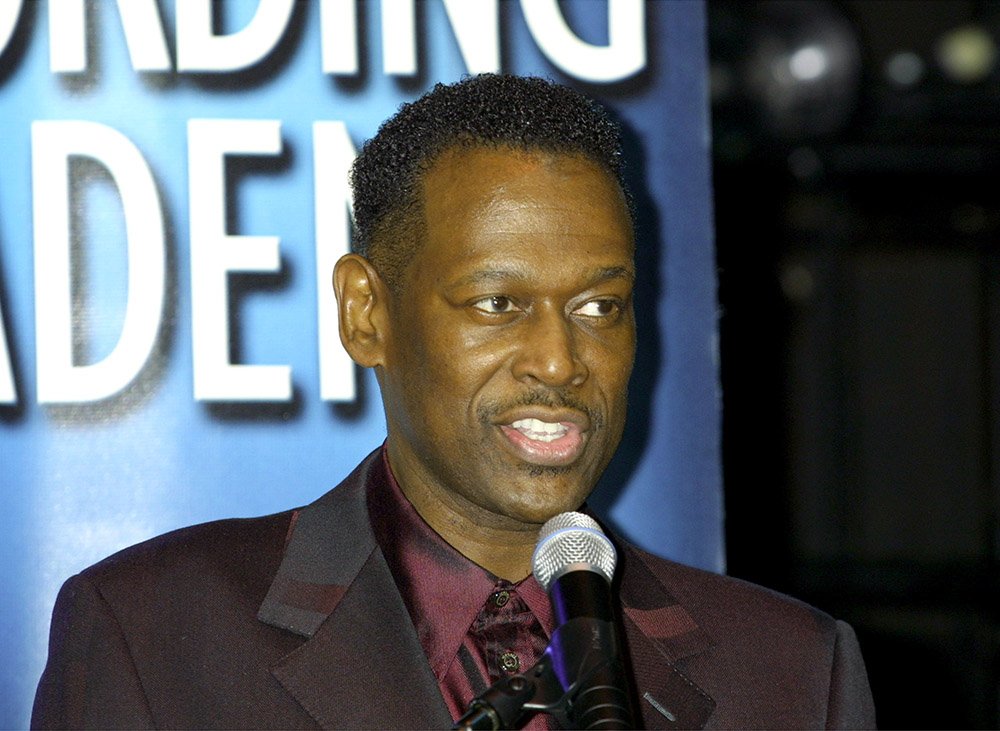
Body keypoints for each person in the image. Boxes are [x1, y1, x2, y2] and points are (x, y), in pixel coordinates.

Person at [32, 74, 875, 730]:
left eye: (599, 307)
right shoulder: (153, 632)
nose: (559, 360)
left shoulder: (793, 673)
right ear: (367, 313)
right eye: (498, 304)